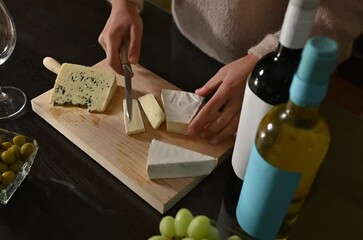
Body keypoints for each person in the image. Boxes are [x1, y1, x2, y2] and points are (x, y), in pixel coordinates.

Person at [98, 0, 363, 145]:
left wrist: (268, 58)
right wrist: (123, 4)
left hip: (280, 71)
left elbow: (343, 8)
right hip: (185, 38)